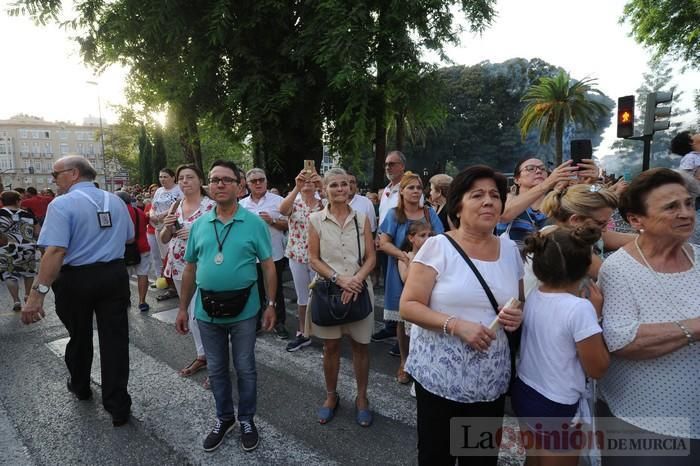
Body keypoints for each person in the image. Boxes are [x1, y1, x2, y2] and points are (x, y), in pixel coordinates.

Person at [400, 165, 524, 465]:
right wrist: (455, 325)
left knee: (479, 460)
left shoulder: (510, 251)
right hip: (439, 378)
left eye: (495, 195)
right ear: (458, 204)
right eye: (477, 195)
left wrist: (516, 317)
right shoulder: (437, 247)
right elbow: (409, 305)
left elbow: (518, 301)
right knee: (435, 457)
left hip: (489, 383)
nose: (489, 201)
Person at [21, 155, 134, 427]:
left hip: (76, 279)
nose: (53, 180)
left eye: (56, 174)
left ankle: (81, 385)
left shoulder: (62, 204)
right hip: (114, 275)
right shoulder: (116, 200)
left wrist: (37, 295)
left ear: (73, 174)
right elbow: (129, 237)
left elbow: (56, 250)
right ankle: (118, 404)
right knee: (115, 340)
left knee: (79, 335)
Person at [597, 168, 700, 465]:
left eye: (688, 203)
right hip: (642, 419)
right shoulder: (620, 269)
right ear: (635, 220)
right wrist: (695, 328)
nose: (685, 213)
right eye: (671, 207)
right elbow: (622, 339)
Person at [175, 159, 277, 453]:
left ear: (238, 186)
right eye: (215, 179)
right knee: (217, 369)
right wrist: (183, 308)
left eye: (226, 180)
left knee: (245, 367)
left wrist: (271, 304)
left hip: (245, 309)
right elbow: (191, 269)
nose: (219, 184)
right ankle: (224, 418)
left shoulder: (254, 223)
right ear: (209, 185)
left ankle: (246, 419)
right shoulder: (199, 225)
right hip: (207, 311)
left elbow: (269, 267)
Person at [513, 226, 609, 466]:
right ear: (586, 265)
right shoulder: (580, 309)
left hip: (526, 389)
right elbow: (597, 368)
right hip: (557, 402)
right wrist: (597, 316)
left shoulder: (535, 294)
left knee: (533, 459)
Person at [306, 168, 376, 426]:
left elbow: (371, 257)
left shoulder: (362, 218)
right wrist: (339, 279)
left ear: (351, 188)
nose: (340, 189)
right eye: (334, 185)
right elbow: (313, 258)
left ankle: (361, 398)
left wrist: (355, 281)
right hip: (329, 291)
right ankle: (331, 396)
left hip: (358, 289)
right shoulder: (315, 219)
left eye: (344, 184)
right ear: (325, 189)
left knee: (360, 347)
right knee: (331, 347)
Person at [379, 172, 444, 383]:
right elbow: (383, 242)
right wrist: (404, 257)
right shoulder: (394, 215)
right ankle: (404, 362)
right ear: (402, 191)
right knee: (403, 318)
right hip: (402, 271)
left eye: (418, 187)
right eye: (411, 188)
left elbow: (441, 239)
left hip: (429, 271)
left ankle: (425, 361)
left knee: (426, 317)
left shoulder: (429, 213)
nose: (416, 191)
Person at [160, 165, 216, 380]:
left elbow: (221, 235)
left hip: (203, 267)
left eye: (190, 177)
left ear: (200, 180)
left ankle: (215, 363)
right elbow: (165, 239)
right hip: (177, 265)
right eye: (181, 178)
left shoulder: (211, 206)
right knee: (191, 317)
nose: (184, 182)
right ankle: (203, 356)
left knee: (201, 316)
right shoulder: (176, 204)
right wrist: (167, 226)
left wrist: (195, 231)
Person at [239, 168, 289, 339]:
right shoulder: (242, 205)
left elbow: (289, 225)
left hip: (274, 253)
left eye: (261, 179)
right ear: (247, 183)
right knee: (255, 290)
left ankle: (279, 322)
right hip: (251, 256)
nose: (258, 183)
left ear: (267, 181)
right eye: (254, 181)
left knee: (277, 290)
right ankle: (258, 322)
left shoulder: (279, 201)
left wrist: (272, 221)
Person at [280, 168, 323, 352]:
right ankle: (303, 333)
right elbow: (282, 210)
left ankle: (324, 333)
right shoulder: (294, 203)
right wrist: (296, 188)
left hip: (319, 257)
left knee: (321, 296)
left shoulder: (323, 204)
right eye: (303, 181)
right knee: (302, 296)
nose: (307, 184)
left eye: (311, 181)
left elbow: (336, 210)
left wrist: (321, 186)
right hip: (297, 256)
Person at [496, 157, 578, 245]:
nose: (539, 171)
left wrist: (588, 185)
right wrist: (547, 184)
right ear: (517, 179)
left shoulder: (557, 203)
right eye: (530, 168)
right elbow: (504, 215)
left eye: (543, 169)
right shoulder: (508, 198)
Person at [372, 150, 410, 342]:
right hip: (385, 244)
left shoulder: (409, 188)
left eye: (392, 164)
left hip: (399, 246)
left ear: (402, 166)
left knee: (402, 288)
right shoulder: (387, 190)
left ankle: (404, 333)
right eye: (386, 164)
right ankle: (391, 326)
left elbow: (410, 218)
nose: (388, 167)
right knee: (390, 287)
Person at [0, 190, 40, 311]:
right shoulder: (28, 214)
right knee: (28, 273)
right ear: (18, 201)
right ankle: (27, 295)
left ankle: (16, 300)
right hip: (27, 247)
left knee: (9, 275)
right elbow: (38, 232)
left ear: (2, 201)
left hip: (6, 248)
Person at [115, 191, 151, 312]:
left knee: (124, 277)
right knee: (143, 274)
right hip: (143, 247)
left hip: (125, 249)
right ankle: (142, 301)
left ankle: (126, 300)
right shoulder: (139, 211)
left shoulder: (118, 212)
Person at [150, 168, 183, 301]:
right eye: (160, 177)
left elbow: (178, 204)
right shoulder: (158, 191)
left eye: (165, 177)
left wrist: (163, 215)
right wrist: (153, 215)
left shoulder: (178, 189)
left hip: (173, 226)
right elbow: (153, 206)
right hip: (158, 226)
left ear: (173, 177)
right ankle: (169, 284)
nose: (162, 179)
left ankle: (176, 286)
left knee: (173, 254)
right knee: (164, 256)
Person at [144, 184, 162, 282]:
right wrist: (147, 215)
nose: (154, 192)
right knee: (155, 255)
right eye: (152, 190)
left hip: (163, 232)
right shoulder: (148, 205)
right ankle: (159, 277)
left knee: (165, 255)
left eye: (156, 190)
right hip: (151, 232)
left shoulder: (165, 203)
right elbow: (144, 220)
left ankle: (168, 277)